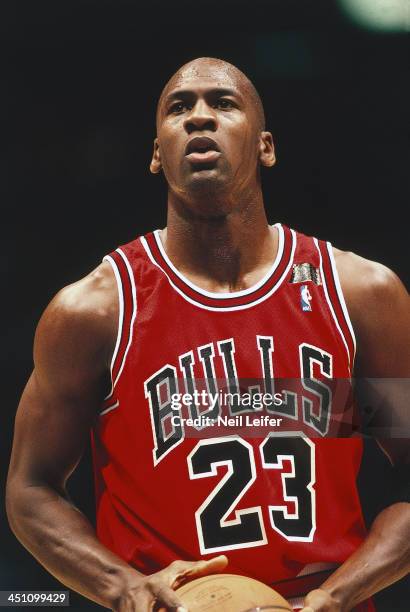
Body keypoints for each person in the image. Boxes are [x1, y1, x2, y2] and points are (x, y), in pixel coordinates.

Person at [6, 57, 410, 612]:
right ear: (155, 154)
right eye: (179, 108)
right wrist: (121, 587)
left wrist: (338, 595)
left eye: (223, 104)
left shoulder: (362, 296)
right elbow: (31, 488)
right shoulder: (94, 310)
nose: (199, 118)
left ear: (265, 146)